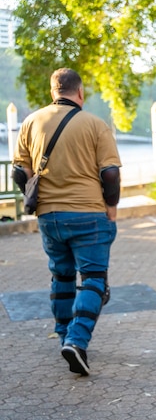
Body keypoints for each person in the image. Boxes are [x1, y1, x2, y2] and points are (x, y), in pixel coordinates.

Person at [12, 68, 121, 377]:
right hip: (88, 213)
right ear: (80, 92)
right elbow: (110, 174)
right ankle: (77, 339)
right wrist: (111, 208)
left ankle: (64, 336)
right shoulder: (96, 125)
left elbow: (19, 173)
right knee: (93, 279)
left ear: (53, 92)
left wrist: (37, 199)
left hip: (49, 216)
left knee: (61, 276)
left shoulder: (32, 121)